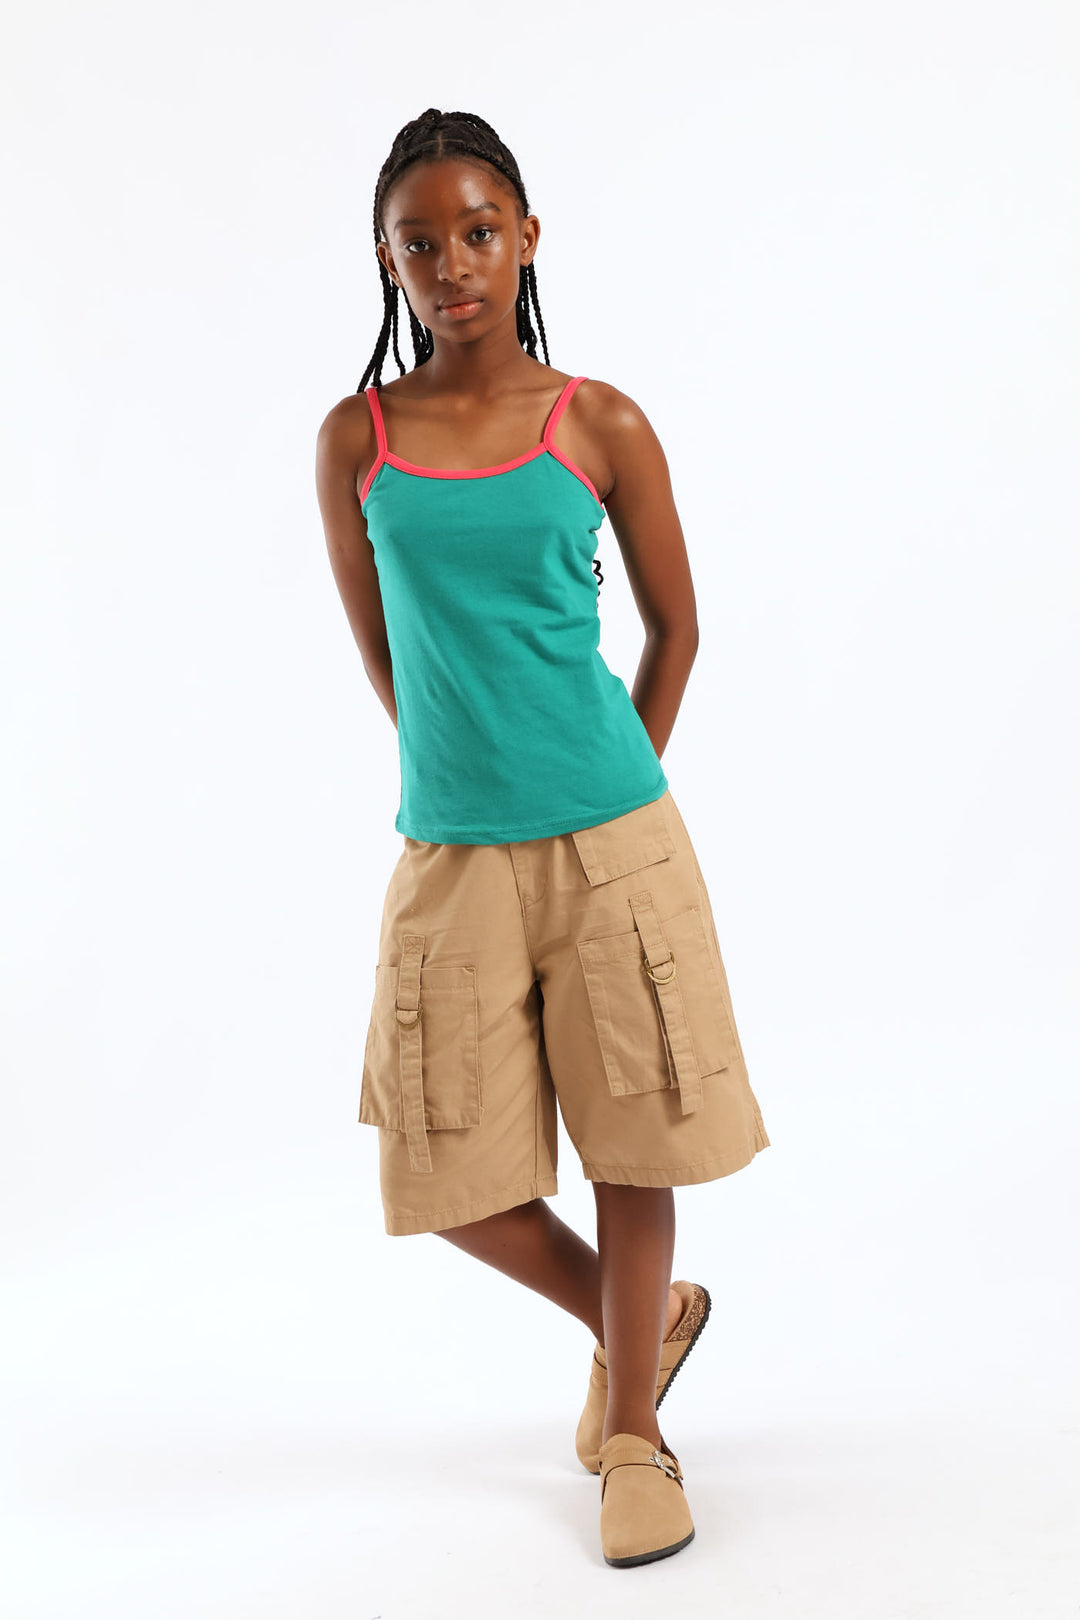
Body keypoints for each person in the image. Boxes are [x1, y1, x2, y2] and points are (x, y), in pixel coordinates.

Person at [314, 107, 770, 1569]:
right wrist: (475, 767)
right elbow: (386, 657)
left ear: (525, 236)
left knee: (638, 1140)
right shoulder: (357, 441)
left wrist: (604, 788)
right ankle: (638, 1325)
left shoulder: (600, 422)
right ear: (387, 261)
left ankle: (633, 1435)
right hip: (451, 848)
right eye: (419, 243)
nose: (451, 263)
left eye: (476, 231)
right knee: (444, 1165)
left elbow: (678, 631)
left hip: (616, 838)